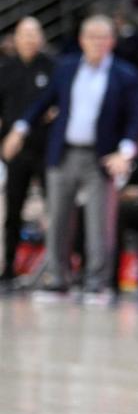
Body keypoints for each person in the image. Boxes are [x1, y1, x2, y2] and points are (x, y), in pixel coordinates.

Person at [2, 15, 138, 302]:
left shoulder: (125, 75)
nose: (96, 42)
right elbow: (43, 103)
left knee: (98, 223)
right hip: (63, 152)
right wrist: (19, 129)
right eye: (91, 36)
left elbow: (135, 119)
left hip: (100, 158)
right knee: (57, 219)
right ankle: (58, 280)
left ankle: (96, 283)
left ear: (111, 42)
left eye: (102, 37)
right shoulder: (66, 69)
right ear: (81, 40)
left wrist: (126, 152)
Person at [0, 18, 55, 287]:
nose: (30, 39)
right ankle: (8, 266)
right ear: (16, 38)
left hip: (46, 150)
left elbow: (61, 103)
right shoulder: (6, 69)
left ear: (41, 38)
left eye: (35, 33)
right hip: (15, 151)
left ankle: (54, 268)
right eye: (25, 34)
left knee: (52, 210)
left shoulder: (52, 67)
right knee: (13, 210)